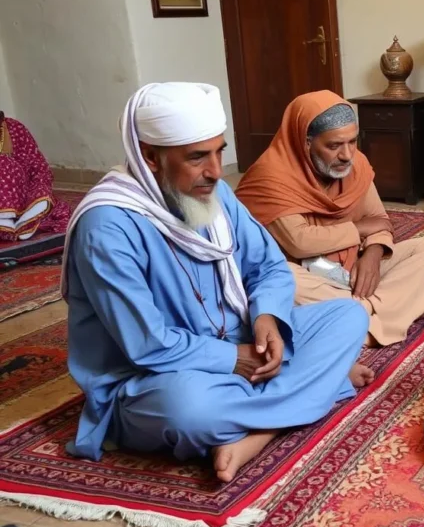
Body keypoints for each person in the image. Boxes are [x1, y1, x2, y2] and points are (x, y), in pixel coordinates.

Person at [62, 83, 372, 483]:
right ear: (150, 157)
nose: (216, 171)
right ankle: (301, 401)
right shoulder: (107, 227)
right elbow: (148, 345)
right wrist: (235, 359)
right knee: (189, 413)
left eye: (219, 152)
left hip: (240, 341)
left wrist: (267, 318)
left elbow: (268, 267)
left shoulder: (216, 193)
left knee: (348, 315)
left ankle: (265, 420)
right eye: (197, 157)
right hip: (157, 376)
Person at [234, 92, 424, 347]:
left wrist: (373, 253)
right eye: (334, 146)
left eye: (352, 142)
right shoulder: (270, 178)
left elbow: (378, 219)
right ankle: (392, 310)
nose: (347, 155)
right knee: (283, 279)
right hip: (306, 275)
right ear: (306, 142)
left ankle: (361, 318)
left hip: (350, 269)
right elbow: (301, 242)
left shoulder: (356, 165)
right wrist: (359, 229)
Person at [0, 111, 70, 241]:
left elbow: (37, 165)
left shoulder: (14, 127)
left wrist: (41, 188)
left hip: (19, 193)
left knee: (43, 198)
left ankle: (22, 220)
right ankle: (5, 220)